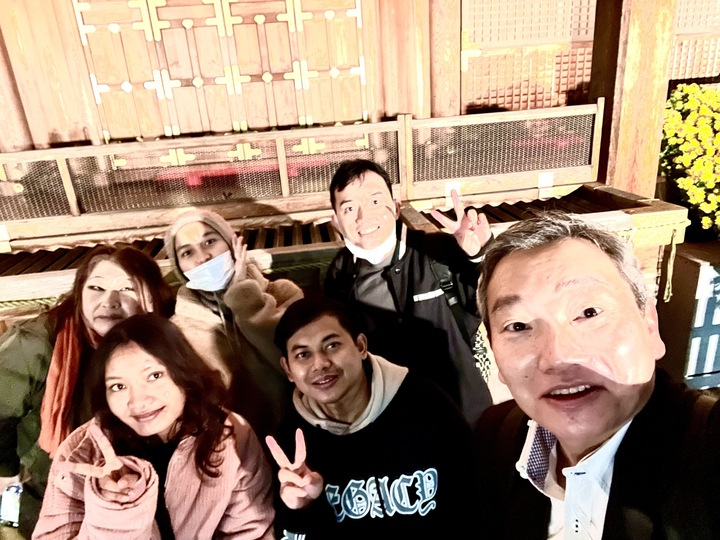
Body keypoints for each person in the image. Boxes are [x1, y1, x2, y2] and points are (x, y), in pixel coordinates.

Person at [473, 212, 720, 539]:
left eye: (588, 312)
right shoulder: (494, 439)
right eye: (518, 326)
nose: (558, 356)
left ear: (649, 324)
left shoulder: (709, 452)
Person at [33, 314, 274, 539]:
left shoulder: (229, 434)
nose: (138, 401)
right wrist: (113, 509)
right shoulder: (81, 453)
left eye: (154, 376)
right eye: (118, 386)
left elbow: (250, 531)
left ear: (183, 372)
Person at [0, 245, 174, 537]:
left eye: (127, 288)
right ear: (79, 293)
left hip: (135, 486)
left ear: (151, 299)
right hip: (51, 489)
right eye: (96, 288)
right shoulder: (38, 344)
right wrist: (6, 473)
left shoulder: (161, 341)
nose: (109, 302)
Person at [265, 297, 474, 539]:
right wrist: (302, 509)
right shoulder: (290, 444)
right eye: (303, 354)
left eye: (332, 345)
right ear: (288, 369)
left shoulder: (426, 406)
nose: (320, 364)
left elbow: (475, 505)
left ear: (361, 346)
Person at [324, 159, 493, 425]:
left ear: (396, 207)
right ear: (335, 220)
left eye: (375, 201)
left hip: (463, 414)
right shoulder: (340, 274)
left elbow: (491, 299)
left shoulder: (437, 252)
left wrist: (479, 255)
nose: (363, 217)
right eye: (349, 208)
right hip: (392, 422)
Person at [165, 209, 303, 438]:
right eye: (187, 252)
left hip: (298, 433)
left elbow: (292, 363)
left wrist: (244, 297)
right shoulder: (178, 332)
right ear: (179, 267)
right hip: (232, 447)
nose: (203, 257)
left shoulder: (283, 295)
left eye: (210, 241)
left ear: (232, 243)